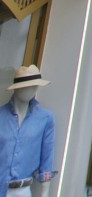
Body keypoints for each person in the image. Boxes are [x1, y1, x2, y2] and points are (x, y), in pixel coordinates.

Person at [0, 65, 55, 197]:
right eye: (26, 86)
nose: (30, 89)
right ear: (16, 89)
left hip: (23, 190)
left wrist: (45, 192)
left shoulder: (45, 118)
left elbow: (47, 158)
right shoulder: (1, 116)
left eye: (34, 86)